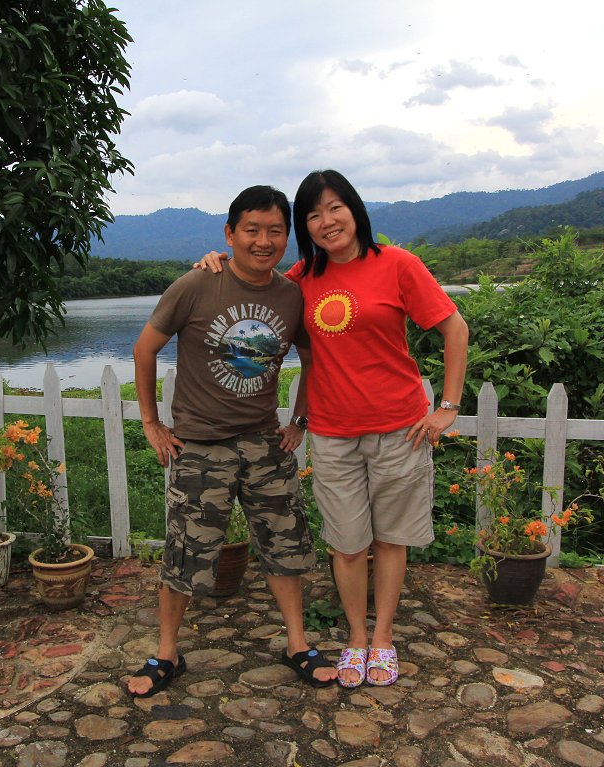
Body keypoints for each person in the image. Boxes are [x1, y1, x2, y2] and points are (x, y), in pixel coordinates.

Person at [197, 169, 468, 688]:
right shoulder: (303, 278)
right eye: (313, 215)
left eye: (335, 207)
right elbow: (250, 286)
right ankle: (356, 638)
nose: (326, 221)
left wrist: (447, 405)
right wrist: (214, 262)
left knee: (390, 540)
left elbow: (454, 327)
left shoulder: (397, 265)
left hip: (400, 428)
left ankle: (383, 639)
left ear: (354, 209)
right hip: (334, 433)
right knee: (346, 543)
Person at [127, 185, 336, 697]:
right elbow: (144, 349)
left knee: (285, 547)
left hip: (266, 443)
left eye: (274, 230)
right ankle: (166, 653)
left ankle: (297, 644)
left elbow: (311, 360)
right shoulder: (198, 283)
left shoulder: (290, 294)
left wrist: (299, 420)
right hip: (200, 446)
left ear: (286, 236)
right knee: (184, 554)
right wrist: (152, 423)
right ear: (229, 233)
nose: (263, 241)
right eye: (252, 230)